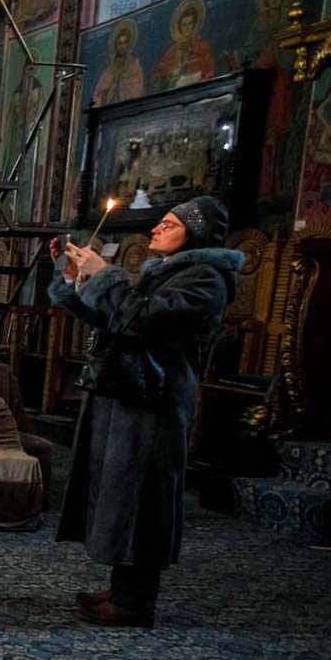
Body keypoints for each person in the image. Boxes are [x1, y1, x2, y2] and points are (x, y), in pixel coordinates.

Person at [50, 196, 243, 627]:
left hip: (158, 398)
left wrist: (106, 275)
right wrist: (73, 278)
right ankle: (123, 588)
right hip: (132, 391)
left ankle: (136, 601)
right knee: (122, 491)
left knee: (145, 494)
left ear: (194, 234)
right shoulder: (166, 272)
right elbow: (112, 318)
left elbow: (140, 317)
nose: (156, 228)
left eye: (169, 224)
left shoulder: (206, 279)